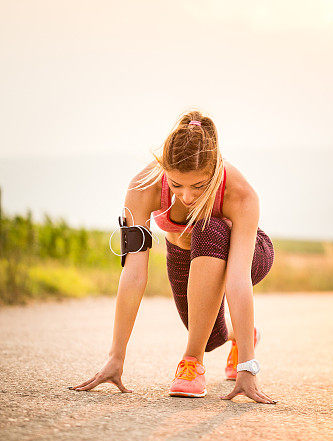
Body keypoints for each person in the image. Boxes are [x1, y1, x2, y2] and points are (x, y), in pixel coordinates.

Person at [69, 110, 277, 404]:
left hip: (248, 254)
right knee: (211, 336)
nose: (187, 197)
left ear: (216, 169)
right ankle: (241, 335)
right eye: (176, 185)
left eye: (199, 186)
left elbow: (238, 279)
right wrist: (116, 357)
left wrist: (248, 366)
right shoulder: (143, 188)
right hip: (184, 253)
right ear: (164, 168)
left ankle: (191, 363)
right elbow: (134, 272)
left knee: (210, 228)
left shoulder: (241, 194)